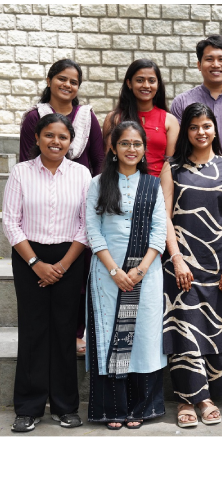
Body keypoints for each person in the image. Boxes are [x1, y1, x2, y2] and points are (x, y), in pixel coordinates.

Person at [3, 113, 91, 432]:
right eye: (49, 135)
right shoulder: (21, 172)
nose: (56, 142)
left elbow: (86, 224)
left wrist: (63, 265)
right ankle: (29, 407)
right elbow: (10, 221)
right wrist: (36, 263)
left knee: (65, 331)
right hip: (29, 257)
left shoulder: (81, 174)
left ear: (70, 142)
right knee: (33, 330)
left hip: (69, 257)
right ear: (38, 137)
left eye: (63, 137)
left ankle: (65, 406)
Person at [161, 102, 222, 428]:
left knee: (217, 327)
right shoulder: (172, 168)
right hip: (182, 265)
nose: (201, 132)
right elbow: (164, 217)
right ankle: (190, 399)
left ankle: (210, 394)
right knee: (184, 328)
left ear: (215, 129)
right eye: (194, 126)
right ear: (186, 131)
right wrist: (177, 259)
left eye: (206, 125)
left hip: (220, 262)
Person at [85, 121, 167, 430]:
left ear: (145, 149)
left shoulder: (152, 185)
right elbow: (93, 231)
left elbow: (159, 232)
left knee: (144, 339)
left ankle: (141, 407)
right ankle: (112, 408)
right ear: (113, 148)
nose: (131, 149)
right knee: (110, 338)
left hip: (146, 273)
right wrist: (115, 271)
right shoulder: (98, 184)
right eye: (124, 143)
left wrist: (140, 270)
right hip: (107, 275)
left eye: (137, 144)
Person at [19, 58, 104, 357]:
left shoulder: (86, 117)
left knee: (81, 270)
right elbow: (25, 159)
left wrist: (95, 199)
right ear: (49, 80)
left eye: (73, 81)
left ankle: (77, 331)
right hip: (44, 198)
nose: (67, 85)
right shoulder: (35, 117)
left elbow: (99, 160)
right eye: (62, 79)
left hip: (80, 197)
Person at [103, 59, 179, 177]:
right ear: (129, 83)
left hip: (158, 184)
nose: (146, 85)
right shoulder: (114, 119)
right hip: (122, 183)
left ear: (158, 84)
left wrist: (157, 186)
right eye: (140, 80)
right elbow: (110, 160)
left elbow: (171, 165)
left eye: (151, 81)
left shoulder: (170, 121)